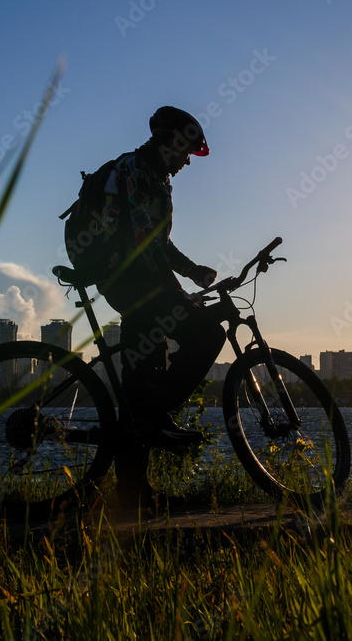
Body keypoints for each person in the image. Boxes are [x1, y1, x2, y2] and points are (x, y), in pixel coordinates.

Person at [95, 106, 226, 511]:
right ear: (171, 141)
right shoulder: (134, 169)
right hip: (128, 280)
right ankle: (153, 420)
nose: (188, 160)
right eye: (187, 150)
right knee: (208, 334)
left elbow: (159, 244)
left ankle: (133, 497)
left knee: (142, 379)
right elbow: (141, 244)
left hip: (141, 282)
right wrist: (177, 292)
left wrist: (192, 272)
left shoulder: (159, 178)